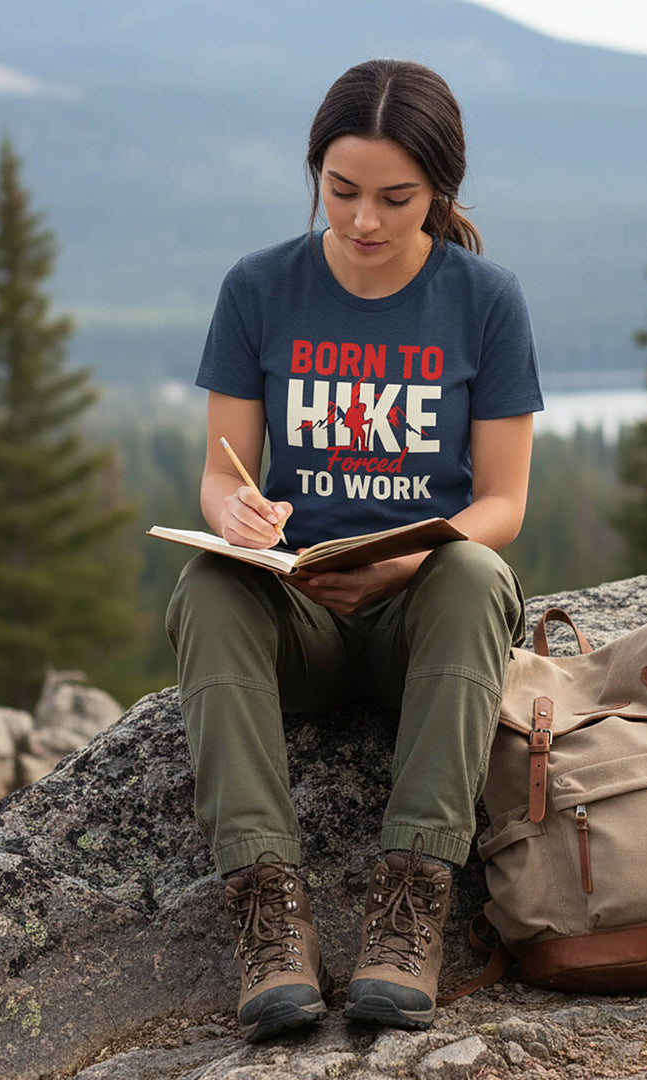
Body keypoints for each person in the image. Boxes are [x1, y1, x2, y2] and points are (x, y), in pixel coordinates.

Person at [166, 58, 543, 1043]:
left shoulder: (486, 301)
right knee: (207, 582)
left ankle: (410, 908)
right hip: (304, 625)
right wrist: (238, 515)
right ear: (315, 174)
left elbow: (504, 501)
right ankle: (266, 916)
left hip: (424, 624)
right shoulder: (258, 290)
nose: (363, 220)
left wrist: (413, 562)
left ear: (440, 192)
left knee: (473, 571)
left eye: (395, 198)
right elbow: (220, 473)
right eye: (341, 192)